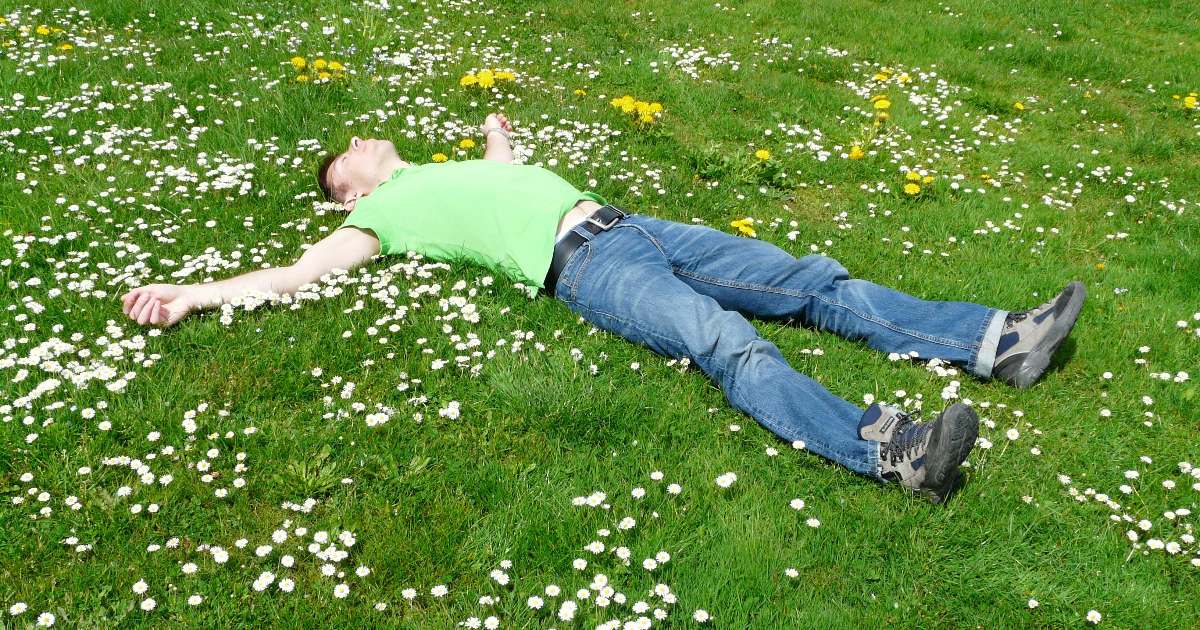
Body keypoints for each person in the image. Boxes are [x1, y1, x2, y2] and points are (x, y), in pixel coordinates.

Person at [119, 112, 1085, 504]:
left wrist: (497, 136)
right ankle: (893, 452)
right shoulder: (383, 216)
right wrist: (195, 293)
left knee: (809, 280)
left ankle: (996, 340)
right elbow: (296, 276)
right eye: (348, 161)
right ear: (352, 196)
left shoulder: (441, 170)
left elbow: (503, 175)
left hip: (635, 225)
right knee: (728, 343)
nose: (363, 143)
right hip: (583, 267)